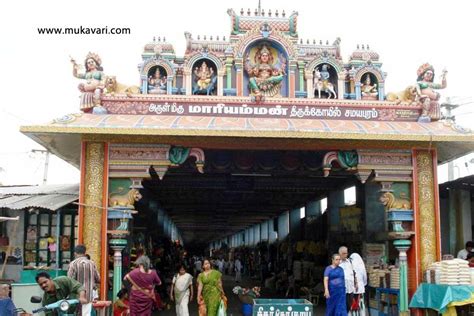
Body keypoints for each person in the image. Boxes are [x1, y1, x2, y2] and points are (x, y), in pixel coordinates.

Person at [67, 244, 100, 316]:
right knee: (86, 314)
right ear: (85, 253)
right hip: (88, 295)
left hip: (76, 295)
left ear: (75, 253)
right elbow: (98, 278)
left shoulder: (73, 264)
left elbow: (69, 280)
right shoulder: (92, 263)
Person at [338, 246, 361, 314]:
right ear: (340, 253)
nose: (346, 255)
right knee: (340, 307)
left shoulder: (350, 262)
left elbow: (354, 273)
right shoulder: (338, 263)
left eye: (346, 253)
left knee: (348, 305)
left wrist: (356, 283)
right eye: (344, 253)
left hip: (350, 289)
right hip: (341, 290)